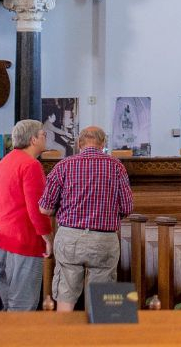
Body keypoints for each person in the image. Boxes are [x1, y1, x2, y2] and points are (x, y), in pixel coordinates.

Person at [38, 125, 132, 312]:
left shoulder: (63, 166)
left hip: (70, 237)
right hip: (104, 238)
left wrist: (62, 209)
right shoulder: (116, 166)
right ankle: (96, 330)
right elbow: (127, 207)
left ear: (79, 144)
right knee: (101, 296)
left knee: (66, 291)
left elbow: (44, 208)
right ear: (103, 144)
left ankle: (64, 329)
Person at [0, 118, 53, 311]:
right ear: (33, 139)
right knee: (22, 305)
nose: (45, 137)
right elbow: (37, 207)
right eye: (43, 134)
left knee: (8, 303)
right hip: (22, 239)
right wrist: (47, 237)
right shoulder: (31, 165)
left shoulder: (4, 162)